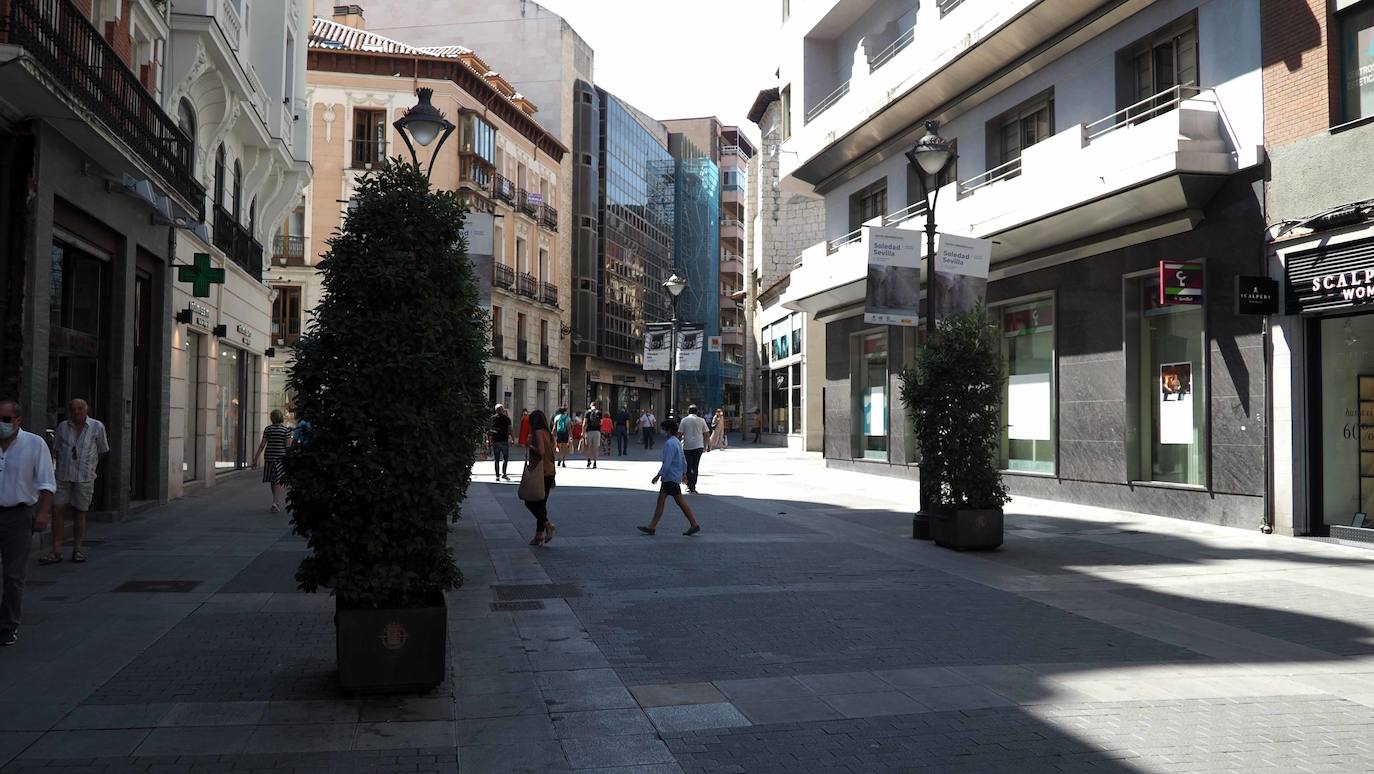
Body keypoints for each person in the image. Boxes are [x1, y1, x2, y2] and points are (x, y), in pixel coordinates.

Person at [0, 400, 56, 646]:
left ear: (18, 420)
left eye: (6, 419)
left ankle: (8, 625)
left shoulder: (34, 444)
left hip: (19, 514)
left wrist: (43, 513)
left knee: (13, 574)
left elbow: (47, 483)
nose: (2, 425)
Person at [42, 398, 109, 565]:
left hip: (85, 476)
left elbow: (102, 449)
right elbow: (57, 449)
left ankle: (77, 549)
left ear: (86, 410)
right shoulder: (63, 427)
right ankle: (56, 550)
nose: (77, 412)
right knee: (57, 510)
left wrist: (90, 465)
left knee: (80, 511)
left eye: (80, 409)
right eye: (73, 409)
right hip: (63, 475)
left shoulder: (96, 427)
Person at [637, 418, 700, 537]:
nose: (663, 432)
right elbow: (683, 459)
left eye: (664, 429)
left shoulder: (670, 443)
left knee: (678, 501)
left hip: (670, 477)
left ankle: (694, 524)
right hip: (673, 476)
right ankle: (652, 526)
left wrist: (659, 474)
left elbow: (667, 462)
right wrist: (684, 473)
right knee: (662, 501)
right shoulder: (676, 442)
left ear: (669, 430)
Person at [523, 410, 557, 546]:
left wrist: (530, 446)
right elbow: (552, 453)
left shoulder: (537, 432)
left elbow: (541, 452)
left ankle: (548, 525)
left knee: (529, 502)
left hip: (541, 472)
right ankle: (538, 535)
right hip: (549, 471)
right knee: (541, 504)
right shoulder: (548, 433)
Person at [251, 410, 293, 513]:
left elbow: (262, 445)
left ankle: (275, 501)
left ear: (272, 418)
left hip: (269, 457)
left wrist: (255, 459)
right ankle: (275, 501)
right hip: (280, 457)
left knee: (272, 478)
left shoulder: (268, 429)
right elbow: (288, 446)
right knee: (279, 479)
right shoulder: (285, 430)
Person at [678, 405, 710, 494]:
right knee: (695, 466)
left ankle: (688, 485)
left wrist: (677, 444)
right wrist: (709, 445)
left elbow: (679, 434)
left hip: (687, 446)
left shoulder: (684, 420)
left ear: (688, 411)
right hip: (698, 446)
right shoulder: (701, 420)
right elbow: (707, 434)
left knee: (688, 466)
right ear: (697, 412)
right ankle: (693, 486)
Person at [488, 405, 513, 481]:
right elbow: (510, 429)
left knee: (497, 459)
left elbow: (490, 431)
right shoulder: (507, 419)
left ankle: (497, 476)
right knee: (505, 458)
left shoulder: (492, 419)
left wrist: (489, 440)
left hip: (496, 441)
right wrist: (512, 439)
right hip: (504, 441)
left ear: (496, 410)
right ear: (502, 410)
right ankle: (504, 474)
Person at [583, 403, 603, 468]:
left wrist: (583, 432)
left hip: (589, 432)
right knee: (596, 448)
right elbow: (601, 423)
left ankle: (588, 460)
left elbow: (584, 423)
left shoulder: (587, 413)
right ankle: (595, 462)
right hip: (597, 432)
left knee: (588, 446)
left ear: (590, 406)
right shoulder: (599, 413)